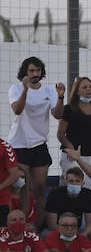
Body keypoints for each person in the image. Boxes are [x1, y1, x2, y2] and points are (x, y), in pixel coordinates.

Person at [8, 56, 64, 214]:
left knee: (39, 187)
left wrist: (60, 97)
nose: (35, 73)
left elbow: (58, 114)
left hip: (39, 144)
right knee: (23, 188)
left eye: (37, 70)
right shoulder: (16, 89)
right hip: (19, 144)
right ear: (25, 72)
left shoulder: (48, 91)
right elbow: (17, 110)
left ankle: (39, 225)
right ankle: (22, 222)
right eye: (31, 70)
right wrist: (25, 89)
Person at [57, 76, 91, 189]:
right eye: (84, 87)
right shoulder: (69, 109)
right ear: (77, 91)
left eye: (90, 87)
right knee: (71, 186)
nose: (88, 89)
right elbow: (60, 133)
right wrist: (71, 148)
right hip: (73, 156)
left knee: (89, 188)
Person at [44, 167, 91, 241]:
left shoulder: (87, 194)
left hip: (79, 228)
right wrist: (69, 236)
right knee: (45, 235)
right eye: (71, 181)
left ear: (83, 183)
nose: (74, 184)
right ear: (66, 182)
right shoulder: (55, 194)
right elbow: (51, 225)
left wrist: (82, 236)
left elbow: (90, 224)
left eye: (77, 181)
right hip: (57, 230)